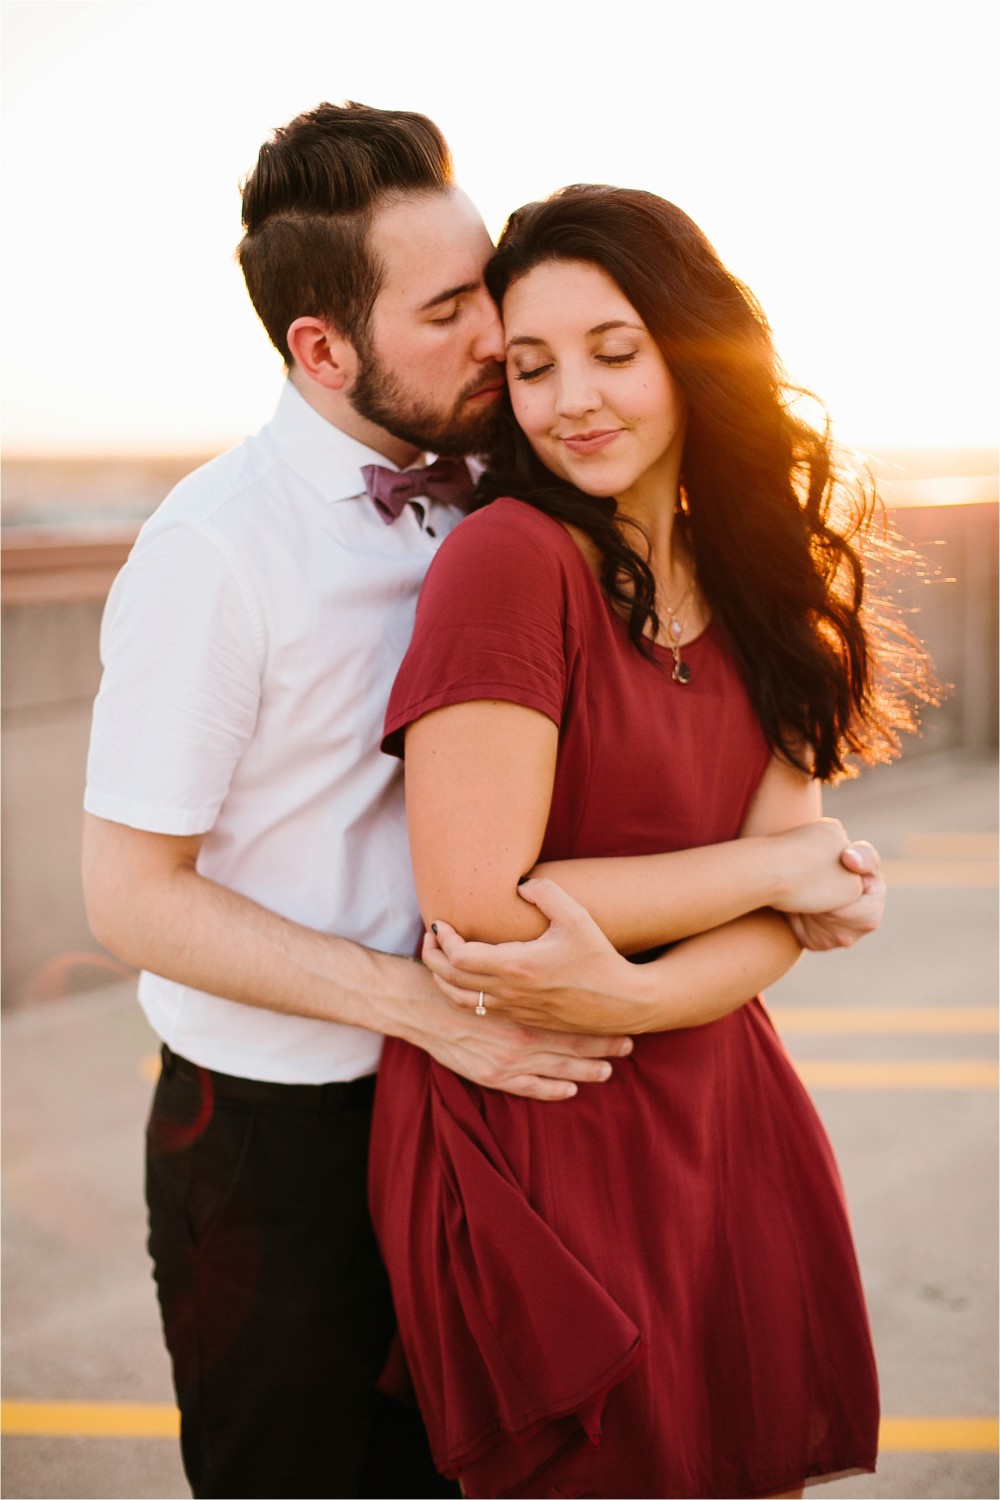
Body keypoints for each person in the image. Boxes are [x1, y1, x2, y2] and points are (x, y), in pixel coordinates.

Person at [82, 103, 885, 1499]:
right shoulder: (214, 555)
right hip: (283, 1127)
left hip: (505, 1091)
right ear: (322, 349)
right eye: (456, 309)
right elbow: (127, 896)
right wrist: (432, 1006)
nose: (498, 340)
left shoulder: (505, 486)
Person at [370, 185, 934, 1499]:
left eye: (614, 351)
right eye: (531, 365)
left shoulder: (770, 574)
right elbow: (479, 906)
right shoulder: (509, 560)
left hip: (715, 1103)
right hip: (536, 1101)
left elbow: (778, 926)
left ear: (691, 346)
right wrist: (782, 872)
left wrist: (638, 986)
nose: (574, 397)